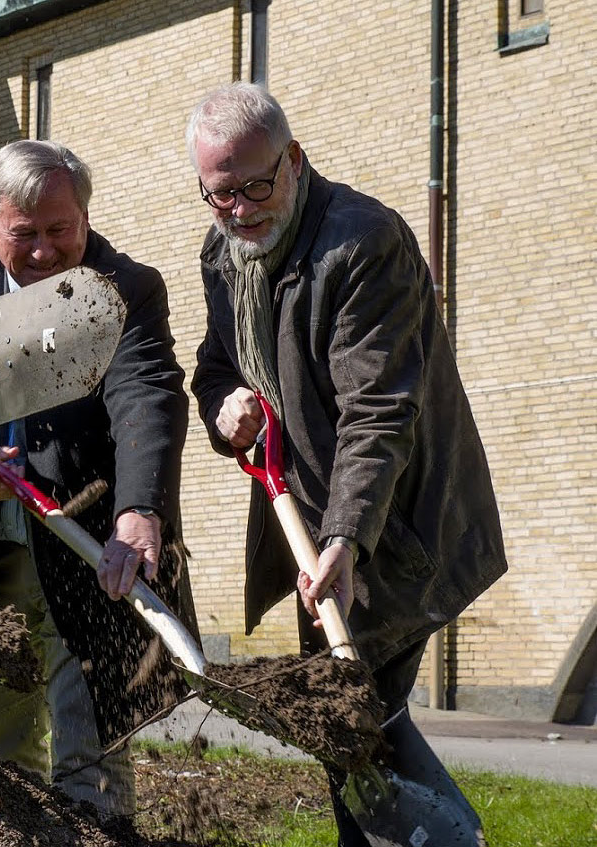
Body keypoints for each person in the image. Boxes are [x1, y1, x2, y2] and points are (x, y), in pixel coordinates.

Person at [186, 82, 507, 845]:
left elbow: (379, 410)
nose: (239, 209)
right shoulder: (224, 254)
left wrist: (348, 538)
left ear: (294, 160)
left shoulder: (362, 244)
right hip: (312, 525)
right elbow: (213, 365)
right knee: (348, 723)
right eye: (218, 193)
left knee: (357, 717)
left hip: (393, 526)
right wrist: (225, 405)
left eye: (256, 184)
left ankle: (443, 837)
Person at [0, 139, 197, 823]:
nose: (44, 251)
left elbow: (146, 394)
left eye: (61, 230)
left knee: (88, 738)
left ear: (83, 215)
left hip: (95, 547)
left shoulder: (124, 286)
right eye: (23, 234)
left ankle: (96, 828)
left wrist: (139, 508)